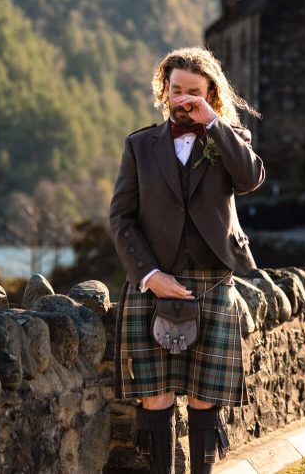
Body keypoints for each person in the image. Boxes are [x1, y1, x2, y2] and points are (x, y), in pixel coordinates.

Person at [110, 46, 265, 474]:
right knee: (154, 394)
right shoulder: (140, 145)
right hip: (155, 279)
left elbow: (251, 178)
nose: (184, 99)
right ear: (165, 90)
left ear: (211, 94)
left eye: (194, 92)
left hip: (213, 279)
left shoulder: (231, 140)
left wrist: (214, 124)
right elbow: (121, 218)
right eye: (177, 90)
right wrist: (149, 275)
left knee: (204, 395)